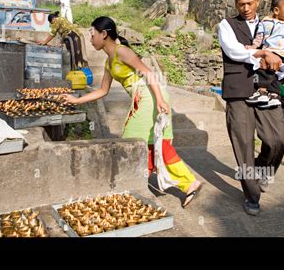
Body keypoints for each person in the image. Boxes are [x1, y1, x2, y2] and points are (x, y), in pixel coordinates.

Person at [60, 16, 202, 208]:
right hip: (142, 98)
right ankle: (173, 183)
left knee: (131, 141)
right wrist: (76, 100)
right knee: (153, 143)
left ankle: (131, 184)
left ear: (104, 34)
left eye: (92, 34)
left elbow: (149, 73)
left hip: (149, 96)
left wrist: (159, 99)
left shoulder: (122, 52)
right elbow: (102, 91)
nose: (90, 38)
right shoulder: (109, 62)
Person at [218, 0, 284, 216]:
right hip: (238, 90)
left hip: (267, 89)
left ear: (258, 2)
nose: (245, 8)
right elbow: (233, 51)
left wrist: (281, 61)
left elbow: (283, 49)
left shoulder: (272, 24)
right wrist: (260, 52)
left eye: (249, 3)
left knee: (279, 137)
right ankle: (251, 195)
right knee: (244, 144)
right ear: (236, 3)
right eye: (241, 4)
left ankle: (263, 170)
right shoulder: (226, 25)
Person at [245, 0, 284, 108]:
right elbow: (259, 36)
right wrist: (254, 46)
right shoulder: (265, 21)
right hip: (268, 50)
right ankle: (274, 95)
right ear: (276, 10)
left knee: (264, 69)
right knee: (274, 75)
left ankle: (262, 91)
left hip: (280, 53)